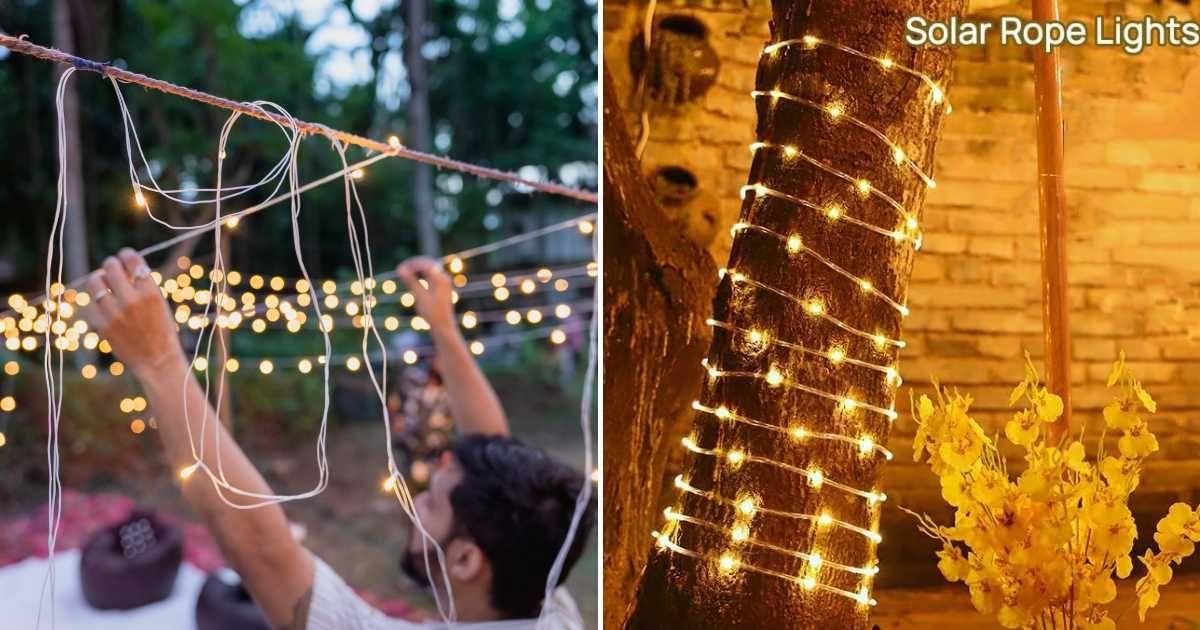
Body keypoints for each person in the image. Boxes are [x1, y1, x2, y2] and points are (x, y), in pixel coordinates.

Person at [83, 250, 595, 629]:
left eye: (433, 504)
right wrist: (443, 325)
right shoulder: (549, 603)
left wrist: (160, 364)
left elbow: (266, 554)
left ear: (465, 560)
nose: (415, 501)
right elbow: (490, 444)